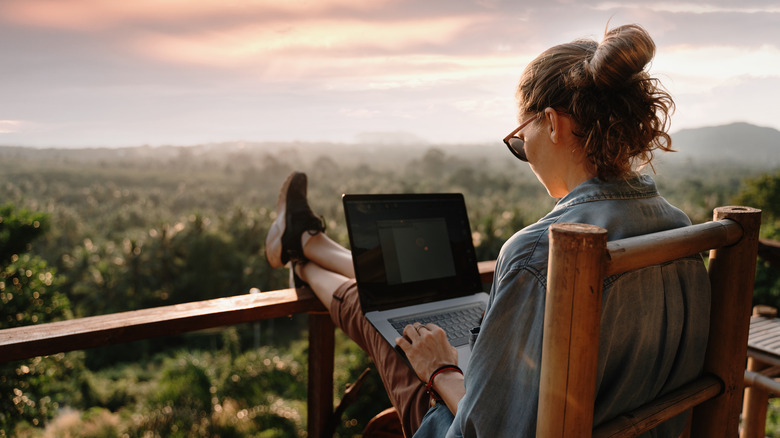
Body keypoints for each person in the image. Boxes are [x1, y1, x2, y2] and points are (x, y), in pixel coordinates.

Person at [265, 23, 710, 438]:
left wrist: (441, 370)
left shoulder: (541, 251)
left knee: (391, 323)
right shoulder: (680, 230)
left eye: (520, 138)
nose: (524, 153)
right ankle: (307, 245)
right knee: (401, 304)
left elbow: (486, 431)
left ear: (552, 124)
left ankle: (303, 257)